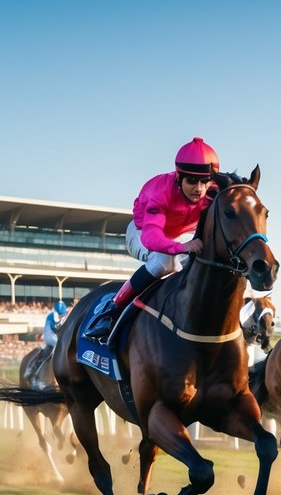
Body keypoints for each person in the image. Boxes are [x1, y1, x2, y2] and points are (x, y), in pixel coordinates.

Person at [83, 137, 220, 342]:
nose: (199, 189)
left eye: (204, 181)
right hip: (142, 232)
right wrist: (180, 247)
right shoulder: (160, 191)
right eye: (191, 181)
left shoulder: (214, 191)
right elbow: (152, 237)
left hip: (179, 235)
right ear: (179, 177)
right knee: (164, 262)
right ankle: (110, 311)